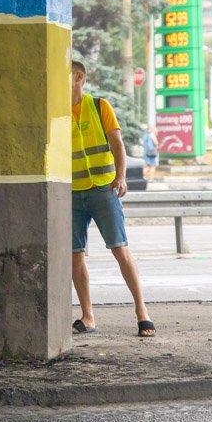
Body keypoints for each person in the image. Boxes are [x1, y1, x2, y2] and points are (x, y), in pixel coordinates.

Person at [70, 60, 155, 338]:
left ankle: (142, 313)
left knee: (120, 250)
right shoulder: (55, 110)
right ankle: (88, 316)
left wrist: (120, 177)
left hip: (103, 190)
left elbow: (117, 143)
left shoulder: (99, 106)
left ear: (78, 76)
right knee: (75, 256)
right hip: (71, 193)